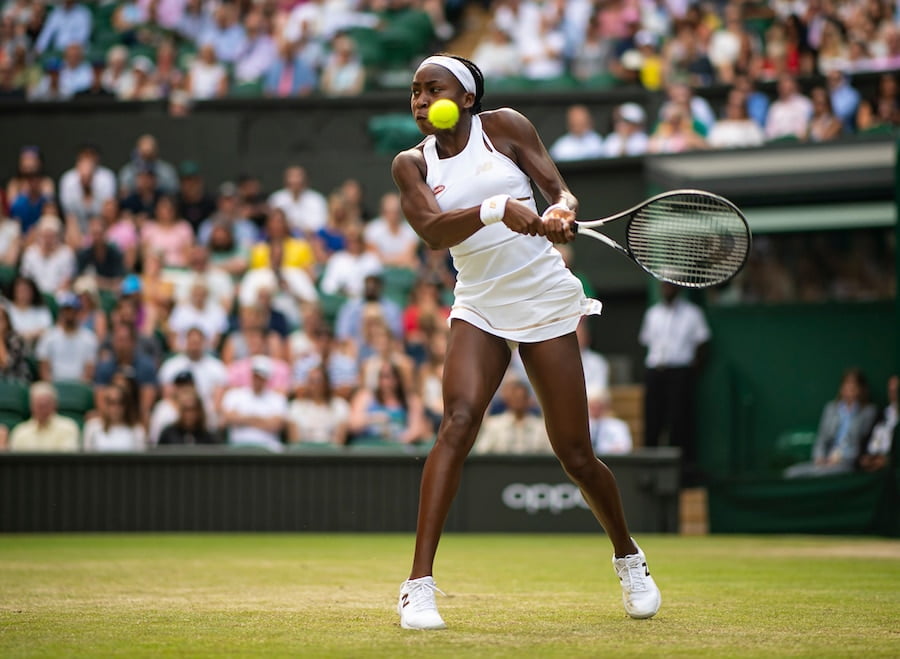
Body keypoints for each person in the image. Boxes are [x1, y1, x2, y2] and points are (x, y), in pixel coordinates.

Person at [390, 54, 660, 630]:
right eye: (413, 92)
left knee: (576, 455)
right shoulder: (410, 165)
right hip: (480, 303)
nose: (417, 100)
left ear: (465, 98)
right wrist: (495, 210)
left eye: (430, 89)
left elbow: (559, 191)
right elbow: (434, 232)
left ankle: (628, 557)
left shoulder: (506, 127)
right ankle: (417, 586)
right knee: (457, 423)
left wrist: (559, 211)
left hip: (543, 300)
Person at [638, 282, 710, 485]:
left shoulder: (693, 314)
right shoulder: (652, 314)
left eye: (670, 286)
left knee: (680, 423)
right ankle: (649, 473)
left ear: (678, 288)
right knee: (652, 422)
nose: (666, 289)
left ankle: (682, 475)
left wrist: (689, 372)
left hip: (680, 373)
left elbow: (703, 345)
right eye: (663, 285)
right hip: (655, 372)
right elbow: (647, 342)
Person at [785, 368, 878, 478]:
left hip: (847, 463)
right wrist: (819, 458)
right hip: (825, 461)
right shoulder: (831, 408)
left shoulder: (868, 412)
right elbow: (822, 438)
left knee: (822, 474)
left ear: (861, 389)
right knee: (791, 473)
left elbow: (860, 442)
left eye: (854, 385)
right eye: (847, 384)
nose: (850, 388)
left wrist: (854, 408)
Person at [220, 355, 288, 452]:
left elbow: (276, 425)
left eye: (261, 377)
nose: (258, 380)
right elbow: (227, 418)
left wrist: (241, 419)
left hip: (269, 451)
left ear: (267, 378)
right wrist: (262, 421)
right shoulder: (235, 395)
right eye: (256, 375)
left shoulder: (277, 399)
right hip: (238, 450)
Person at [472, 377, 551, 455]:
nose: (518, 402)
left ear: (528, 400)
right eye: (515, 399)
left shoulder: (541, 427)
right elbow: (481, 452)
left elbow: (550, 454)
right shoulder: (494, 425)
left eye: (521, 398)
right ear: (508, 401)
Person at [35, 291, 97, 383]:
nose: (69, 314)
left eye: (72, 310)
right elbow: (44, 368)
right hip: (53, 384)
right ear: (61, 312)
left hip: (79, 385)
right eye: (66, 310)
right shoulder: (48, 336)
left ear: (78, 312)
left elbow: (89, 371)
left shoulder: (89, 338)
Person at [286, 364, 350, 446]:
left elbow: (338, 442)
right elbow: (294, 443)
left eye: (318, 381)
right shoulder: (295, 406)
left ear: (326, 383)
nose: (315, 385)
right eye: (311, 381)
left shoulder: (340, 406)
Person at [8, 382, 80, 452]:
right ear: (31, 406)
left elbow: (67, 459)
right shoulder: (20, 432)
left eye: (46, 405)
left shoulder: (68, 427)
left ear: (55, 404)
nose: (43, 409)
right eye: (39, 405)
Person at [82, 383, 146, 452]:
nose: (115, 407)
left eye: (120, 402)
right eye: (111, 402)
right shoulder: (92, 427)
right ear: (104, 403)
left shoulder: (137, 430)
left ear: (126, 405)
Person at [858, 374, 898, 472]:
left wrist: (888, 460)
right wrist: (869, 458)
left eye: (897, 390)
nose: (894, 394)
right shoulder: (882, 414)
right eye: (891, 391)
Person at [587, 387, 633, 455]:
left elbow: (625, 447)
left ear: (606, 406)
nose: (595, 410)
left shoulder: (618, 426)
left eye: (599, 406)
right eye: (592, 407)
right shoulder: (582, 426)